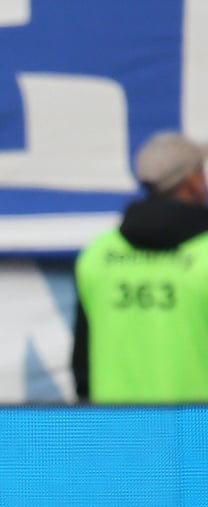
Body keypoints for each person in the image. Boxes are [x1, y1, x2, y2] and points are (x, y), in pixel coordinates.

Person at [72, 130, 208, 403]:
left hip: (120, 431)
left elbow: (82, 365)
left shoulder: (98, 254)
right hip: (198, 432)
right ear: (191, 180)